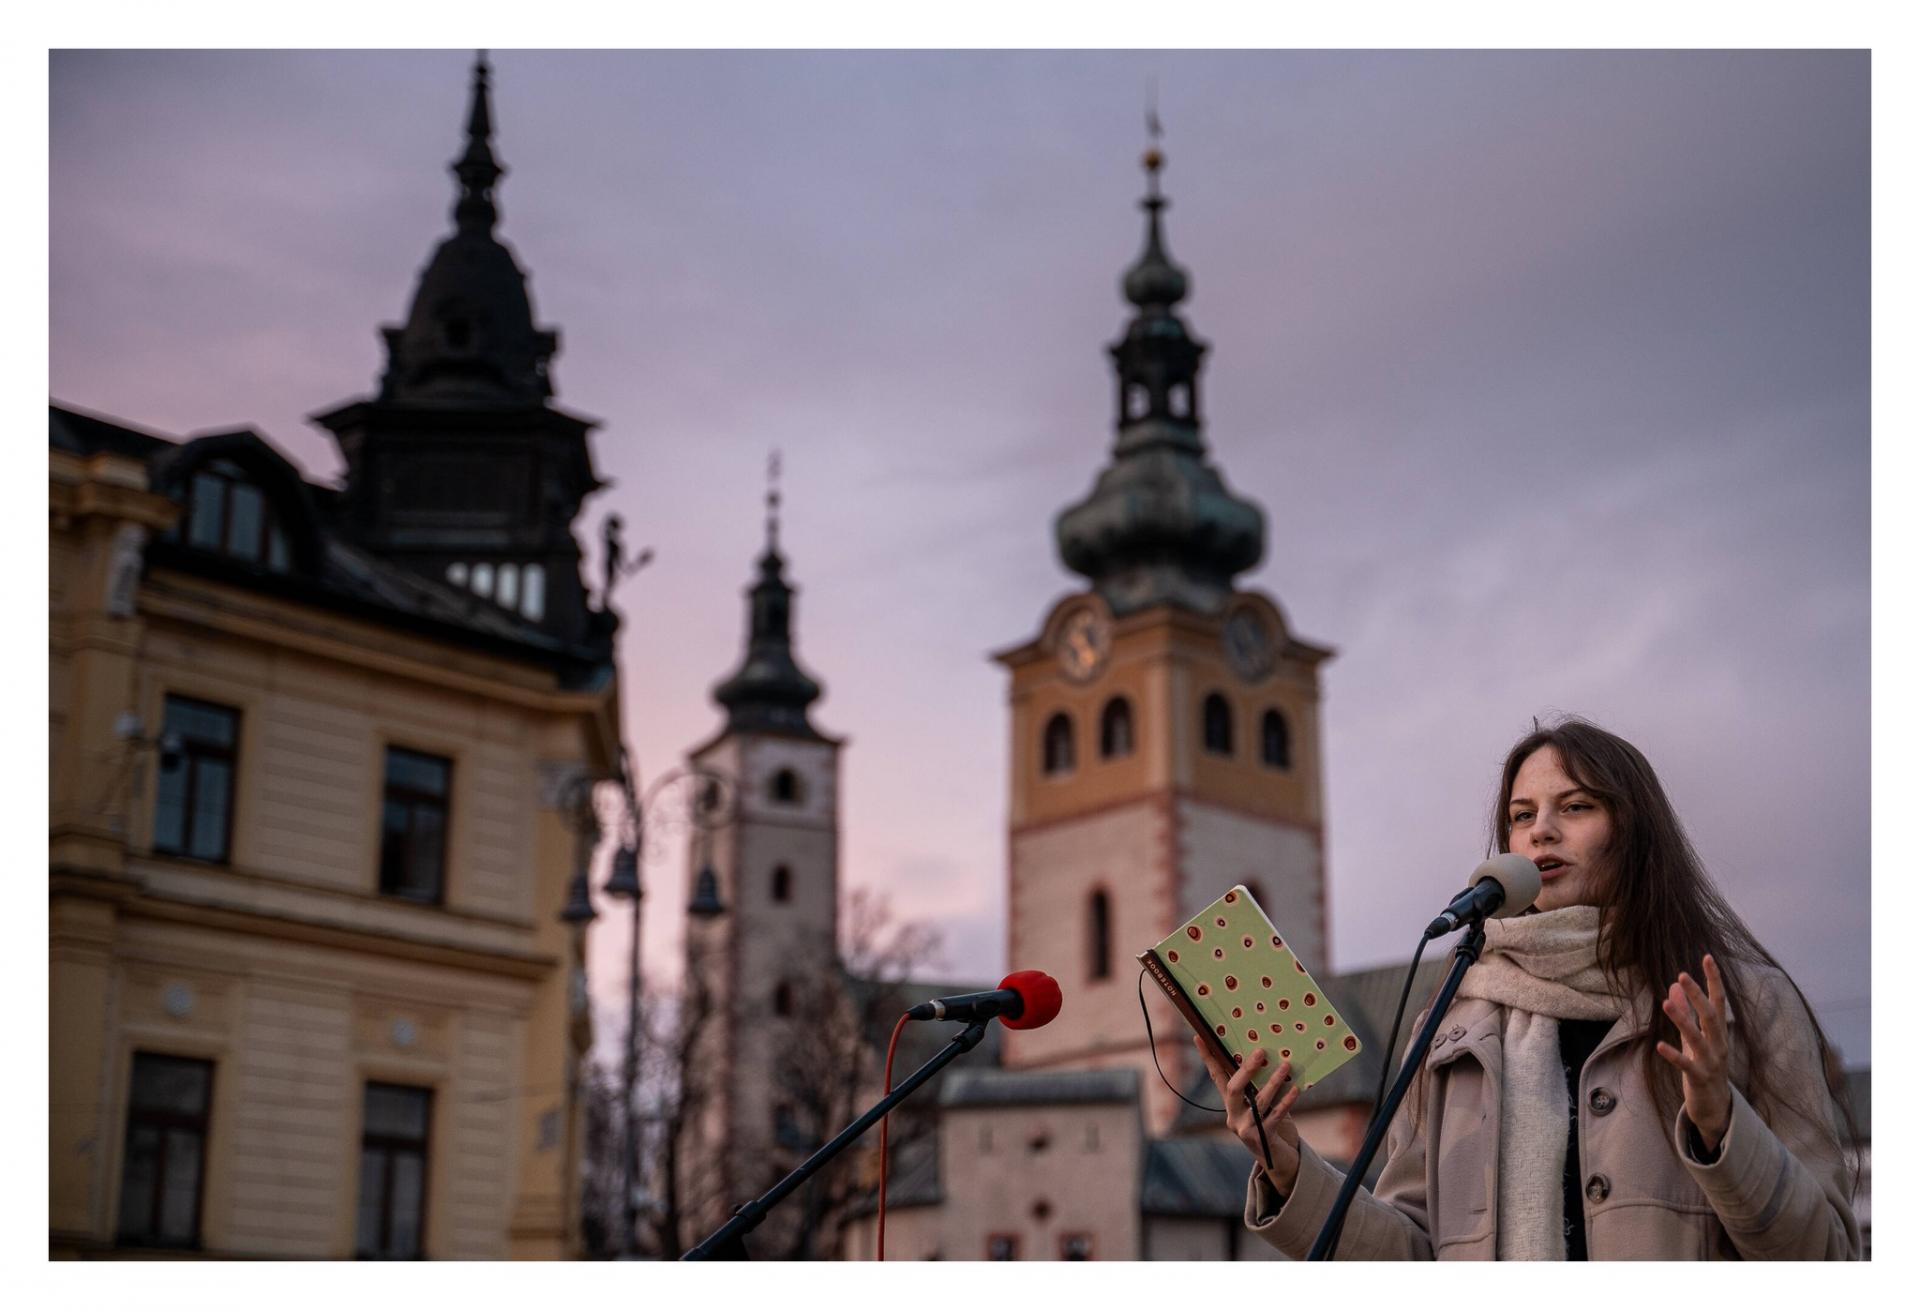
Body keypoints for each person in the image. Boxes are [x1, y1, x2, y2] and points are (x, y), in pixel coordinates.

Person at [1198, 717, 1861, 1260]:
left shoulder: (1748, 1007)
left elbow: (1827, 1256)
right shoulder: (1450, 1027)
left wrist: (1720, 1125)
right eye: (1522, 815)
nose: (1542, 829)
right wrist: (1287, 1165)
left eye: (1575, 806)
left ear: (1634, 835)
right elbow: (1414, 1258)